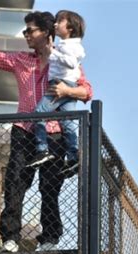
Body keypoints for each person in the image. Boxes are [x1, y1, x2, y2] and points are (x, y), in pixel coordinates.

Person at [0, 5, 92, 252]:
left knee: (49, 186)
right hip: (25, 130)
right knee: (15, 181)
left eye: (30, 30)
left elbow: (86, 91)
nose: (26, 35)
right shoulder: (20, 60)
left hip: (55, 133)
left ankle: (49, 237)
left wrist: (66, 91)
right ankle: (11, 238)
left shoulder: (64, 59)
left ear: (47, 32)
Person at [29, 10, 86, 177]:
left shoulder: (70, 46)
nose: (55, 24)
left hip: (60, 85)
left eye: (59, 22)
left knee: (39, 113)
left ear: (70, 28)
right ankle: (74, 157)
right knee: (67, 123)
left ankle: (42, 149)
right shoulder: (69, 45)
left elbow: (70, 63)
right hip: (68, 85)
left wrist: (54, 54)